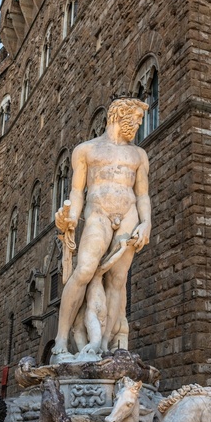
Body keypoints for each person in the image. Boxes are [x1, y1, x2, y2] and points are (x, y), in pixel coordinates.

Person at [52, 97, 151, 357]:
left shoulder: (139, 155)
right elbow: (77, 191)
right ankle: (61, 339)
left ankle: (105, 345)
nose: (139, 124)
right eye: (138, 119)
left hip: (128, 213)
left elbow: (142, 195)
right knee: (84, 270)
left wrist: (146, 222)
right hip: (98, 212)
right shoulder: (86, 150)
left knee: (118, 280)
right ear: (121, 115)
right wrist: (70, 217)